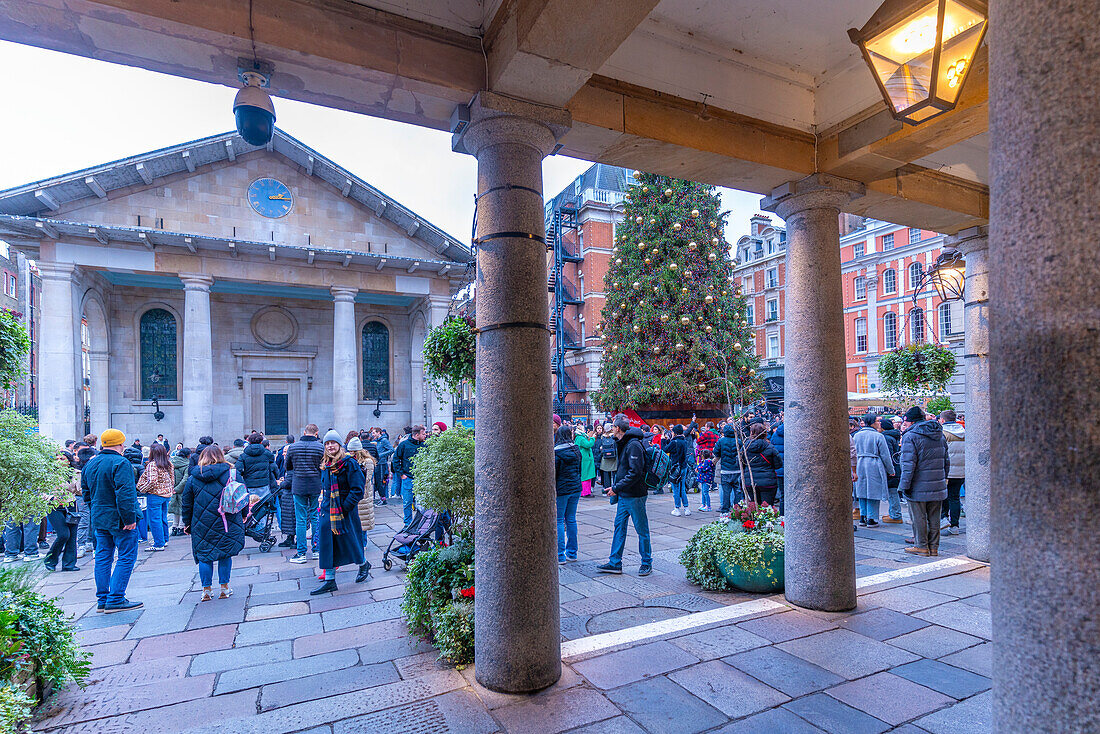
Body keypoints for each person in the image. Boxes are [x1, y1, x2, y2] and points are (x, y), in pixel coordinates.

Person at [82, 428, 142, 612]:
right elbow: (125, 493)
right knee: (126, 556)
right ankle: (115, 598)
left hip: (100, 518)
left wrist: (96, 511)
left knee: (103, 557)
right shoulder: (120, 462)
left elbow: (86, 494)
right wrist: (129, 517)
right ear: (121, 444)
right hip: (120, 519)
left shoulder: (90, 464)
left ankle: (103, 599)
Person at [311, 431, 372, 594]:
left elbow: (357, 490)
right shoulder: (326, 464)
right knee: (327, 544)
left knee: (350, 542)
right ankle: (330, 580)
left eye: (333, 443)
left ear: (339, 445)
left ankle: (363, 563)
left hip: (345, 511)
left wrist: (345, 507)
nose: (330, 446)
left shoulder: (349, 463)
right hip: (327, 510)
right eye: (327, 443)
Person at [182, 445, 244, 601]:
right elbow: (242, 496)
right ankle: (224, 587)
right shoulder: (232, 474)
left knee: (204, 556)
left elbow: (187, 503)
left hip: (201, 523)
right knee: (225, 553)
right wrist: (243, 515)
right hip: (227, 520)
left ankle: (206, 590)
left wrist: (187, 523)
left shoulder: (193, 478)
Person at [597, 414, 652, 577]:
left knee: (641, 530)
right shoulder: (624, 442)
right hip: (624, 495)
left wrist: (616, 488)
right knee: (619, 527)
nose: (611, 429)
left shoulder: (633, 444)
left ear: (618, 428)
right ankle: (615, 562)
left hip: (635, 495)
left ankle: (646, 562)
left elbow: (635, 472)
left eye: (613, 426)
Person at [898, 406, 950, 557]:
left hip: (918, 484)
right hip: (937, 482)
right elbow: (946, 461)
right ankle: (934, 547)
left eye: (905, 421)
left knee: (919, 517)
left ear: (910, 421)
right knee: (934, 517)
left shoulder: (911, 436)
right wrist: (943, 478)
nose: (904, 424)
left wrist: (904, 486)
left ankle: (921, 546)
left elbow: (908, 465)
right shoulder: (939, 434)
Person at [285, 423, 325, 563]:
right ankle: (316, 550)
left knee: (300, 520)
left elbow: (288, 466)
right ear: (316, 433)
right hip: (315, 484)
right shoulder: (321, 447)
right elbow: (323, 466)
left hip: (299, 485)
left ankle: (301, 553)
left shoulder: (293, 447)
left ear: (304, 432)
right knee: (315, 517)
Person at [851, 414, 895, 527]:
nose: (879, 423)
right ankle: (872, 518)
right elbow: (885, 455)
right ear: (872, 423)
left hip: (859, 464)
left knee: (861, 491)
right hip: (874, 465)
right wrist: (890, 470)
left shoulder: (857, 436)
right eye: (877, 421)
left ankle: (862, 517)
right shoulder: (878, 436)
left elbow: (852, 452)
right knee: (874, 492)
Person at [43, 452, 81, 572]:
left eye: (62, 458)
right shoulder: (48, 473)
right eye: (57, 458)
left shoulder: (76, 473)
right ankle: (50, 560)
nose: (59, 460)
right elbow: (41, 491)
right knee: (64, 534)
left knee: (72, 536)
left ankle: (69, 564)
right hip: (54, 506)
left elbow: (79, 491)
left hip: (70, 505)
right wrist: (50, 497)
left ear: (68, 461)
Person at [137, 442, 175, 550]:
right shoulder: (169, 464)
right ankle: (164, 539)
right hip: (166, 494)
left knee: (155, 519)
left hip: (155, 495)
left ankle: (158, 543)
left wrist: (142, 489)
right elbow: (172, 480)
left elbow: (152, 481)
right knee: (163, 518)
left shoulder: (152, 465)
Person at [554, 425, 582, 564]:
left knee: (559, 520)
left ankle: (560, 555)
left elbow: (555, 474)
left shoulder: (557, 453)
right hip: (576, 488)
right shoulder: (576, 450)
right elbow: (579, 470)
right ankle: (572, 553)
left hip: (562, 490)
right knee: (571, 519)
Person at [742, 422, 783, 506]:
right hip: (768, 482)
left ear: (751, 433)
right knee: (767, 509)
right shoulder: (769, 447)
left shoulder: (745, 447)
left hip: (750, 480)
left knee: (754, 507)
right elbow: (778, 464)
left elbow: (739, 463)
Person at [393, 425, 426, 526]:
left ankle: (420, 524)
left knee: (421, 504)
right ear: (417, 434)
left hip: (421, 479)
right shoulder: (404, 445)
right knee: (407, 502)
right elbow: (395, 459)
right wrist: (401, 474)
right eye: (423, 434)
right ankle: (408, 524)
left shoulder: (425, 445)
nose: (425, 436)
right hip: (408, 477)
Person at [938, 410, 965, 535]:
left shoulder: (942, 433)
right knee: (955, 497)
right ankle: (955, 526)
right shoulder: (964, 431)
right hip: (961, 471)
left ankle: (943, 518)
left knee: (943, 495)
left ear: (942, 420)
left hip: (947, 470)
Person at [347, 437, 376, 552]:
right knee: (355, 521)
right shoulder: (350, 460)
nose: (350, 453)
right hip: (354, 495)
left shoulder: (367, 462)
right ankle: (356, 543)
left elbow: (366, 480)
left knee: (363, 521)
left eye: (352, 451)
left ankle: (363, 543)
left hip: (363, 496)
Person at [235, 432, 277, 502]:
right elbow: (274, 468)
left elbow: (238, 471)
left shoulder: (243, 456)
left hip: (249, 485)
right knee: (264, 506)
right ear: (261, 442)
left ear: (249, 442)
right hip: (264, 484)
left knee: (251, 507)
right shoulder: (267, 454)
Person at [713, 423, 744, 513]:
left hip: (725, 470)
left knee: (726, 493)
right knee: (738, 492)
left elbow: (716, 453)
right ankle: (737, 511)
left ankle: (725, 511)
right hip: (737, 470)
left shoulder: (721, 441)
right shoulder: (738, 441)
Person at [879, 419, 904, 523]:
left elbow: (887, 455)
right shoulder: (894, 435)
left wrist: (889, 469)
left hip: (892, 468)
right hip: (896, 465)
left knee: (892, 491)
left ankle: (896, 515)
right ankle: (893, 513)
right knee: (893, 490)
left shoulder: (886, 438)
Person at [665, 424, 691, 516]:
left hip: (675, 468)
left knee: (676, 489)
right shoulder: (684, 441)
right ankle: (686, 508)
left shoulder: (674, 442)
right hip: (683, 466)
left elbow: (665, 449)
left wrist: (664, 440)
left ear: (675, 432)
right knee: (682, 488)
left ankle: (677, 509)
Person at [169, 447, 191, 536]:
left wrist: (172, 488)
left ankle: (174, 527)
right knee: (182, 508)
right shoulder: (187, 465)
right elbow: (185, 479)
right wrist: (178, 489)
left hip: (172, 489)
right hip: (182, 490)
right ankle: (181, 527)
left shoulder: (171, 463)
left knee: (175, 508)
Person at [573, 424, 596, 498]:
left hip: (585, 459)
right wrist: (592, 438)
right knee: (586, 476)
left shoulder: (579, 437)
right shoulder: (580, 438)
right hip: (585, 459)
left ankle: (587, 491)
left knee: (587, 476)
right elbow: (588, 445)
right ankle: (585, 492)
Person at [596, 422, 618, 494]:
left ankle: (606, 489)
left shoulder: (602, 436)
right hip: (613, 457)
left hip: (605, 457)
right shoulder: (614, 436)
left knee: (606, 473)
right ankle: (615, 488)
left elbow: (600, 447)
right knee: (614, 473)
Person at [770, 418, 785, 515]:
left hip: (780, 470)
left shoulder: (775, 435)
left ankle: (782, 515)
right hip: (794, 471)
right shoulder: (796, 432)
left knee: (783, 495)